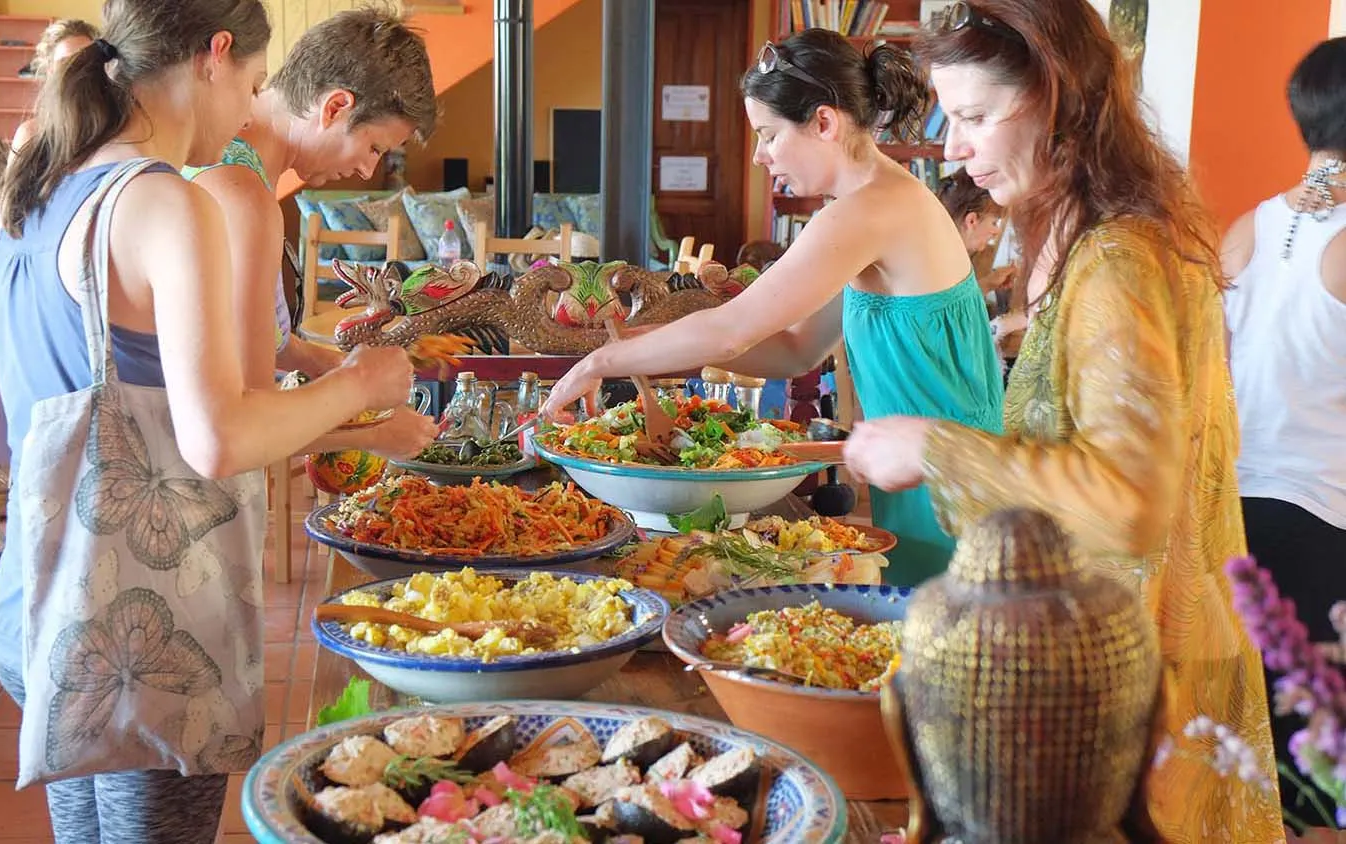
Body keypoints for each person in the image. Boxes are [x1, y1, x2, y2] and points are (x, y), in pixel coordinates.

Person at [0, 0, 430, 840]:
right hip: (147, 639)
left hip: (39, 618)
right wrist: (361, 383)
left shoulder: (32, 189)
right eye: (251, 82)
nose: (249, 112)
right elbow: (221, 439)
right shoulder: (167, 204)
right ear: (214, 55)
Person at [841, 2, 1282, 841]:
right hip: (1114, 651)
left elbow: (1131, 500)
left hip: (1135, 674)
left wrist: (936, 448)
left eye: (975, 117)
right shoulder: (1094, 236)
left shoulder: (1115, 258)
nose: (955, 148)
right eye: (949, 120)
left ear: (1057, 97)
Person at [542, 28, 1004, 587]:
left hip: (949, 485)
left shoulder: (868, 210)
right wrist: (648, 347)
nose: (761, 156)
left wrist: (599, 362)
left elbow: (733, 329)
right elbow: (794, 350)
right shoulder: (879, 200)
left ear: (824, 123)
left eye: (769, 135)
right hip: (927, 473)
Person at [182, 7, 439, 398]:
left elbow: (274, 347)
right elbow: (251, 403)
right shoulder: (241, 196)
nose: (367, 171)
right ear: (334, 108)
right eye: (373, 148)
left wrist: (364, 372)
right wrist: (374, 412)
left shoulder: (242, 170)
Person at [1221, 36, 1346, 835]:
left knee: (1241, 747)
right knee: (1311, 772)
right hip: (1319, 512)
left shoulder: (1247, 228)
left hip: (1231, 506)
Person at [10, 18, 99, 155]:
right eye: (65, 63)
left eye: (84, 60)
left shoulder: (115, 134)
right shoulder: (30, 136)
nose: (77, 71)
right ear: (50, 71)